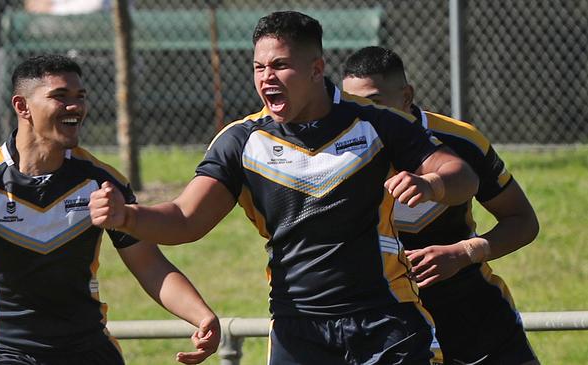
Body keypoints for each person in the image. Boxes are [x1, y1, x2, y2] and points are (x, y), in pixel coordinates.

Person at [89, 11, 479, 365]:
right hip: (298, 329)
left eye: (280, 65)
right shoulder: (242, 140)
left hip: (385, 317)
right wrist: (128, 216)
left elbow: (461, 175)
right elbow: (186, 219)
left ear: (316, 69)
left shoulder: (375, 123)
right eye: (258, 67)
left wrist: (431, 183)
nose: (266, 78)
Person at [0, 54, 220, 365]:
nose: (75, 107)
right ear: (22, 107)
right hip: (8, 352)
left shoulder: (102, 182)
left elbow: (149, 265)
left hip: (89, 350)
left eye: (80, 97)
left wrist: (202, 315)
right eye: (60, 97)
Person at [342, 46, 540, 365]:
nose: (361, 114)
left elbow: (522, 220)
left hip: (475, 320)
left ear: (407, 96)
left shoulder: (461, 141)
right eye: (352, 103)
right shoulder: (336, 151)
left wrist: (463, 253)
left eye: (373, 102)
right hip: (386, 327)